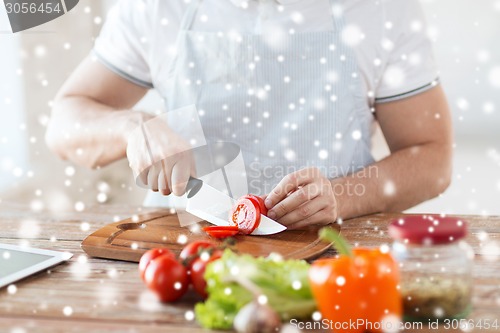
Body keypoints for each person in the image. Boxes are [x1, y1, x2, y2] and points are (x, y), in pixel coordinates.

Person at [45, 0, 452, 230]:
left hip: (333, 249)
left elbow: (432, 159)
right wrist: (132, 127)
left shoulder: (383, 10)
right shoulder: (155, 8)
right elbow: (64, 122)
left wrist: (341, 197)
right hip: (184, 253)